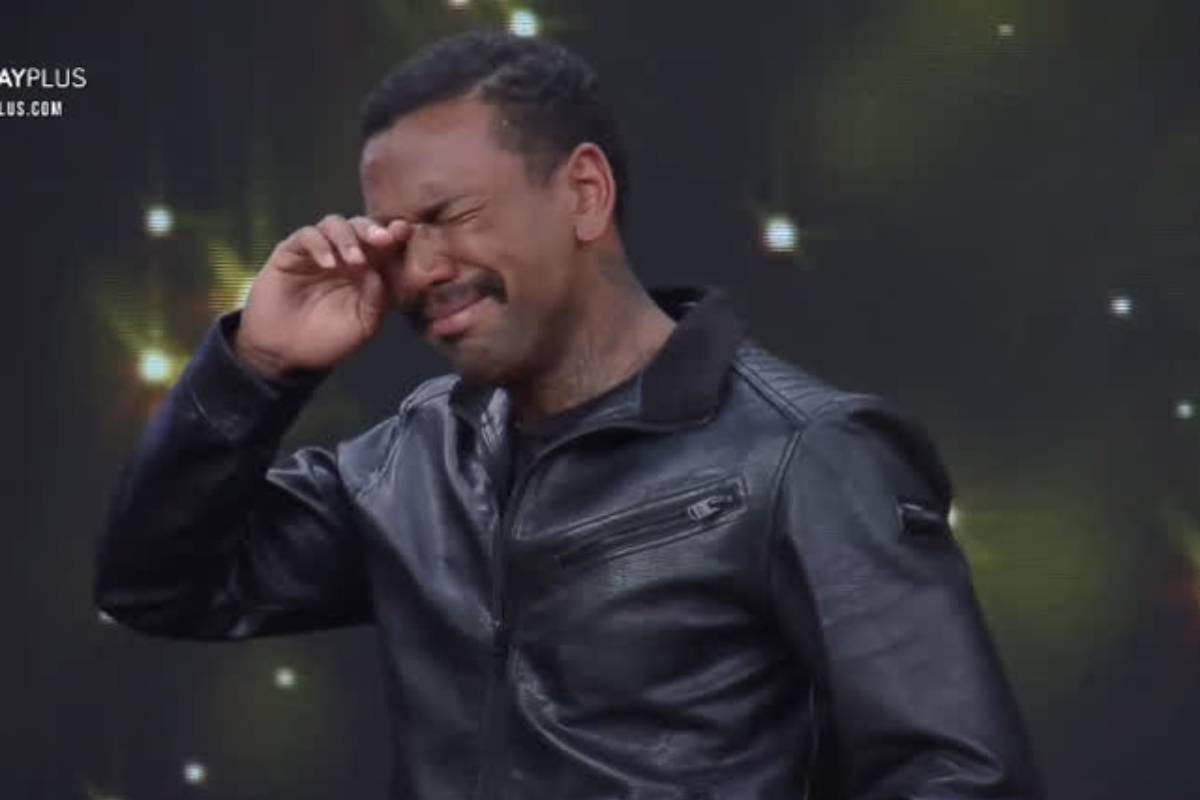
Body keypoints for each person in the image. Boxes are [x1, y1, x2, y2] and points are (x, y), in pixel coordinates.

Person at [96, 30, 1040, 799]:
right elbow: (159, 587)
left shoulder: (805, 454)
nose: (419, 271)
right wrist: (255, 367)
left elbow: (961, 779)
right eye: (394, 238)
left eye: (449, 215)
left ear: (584, 194)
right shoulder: (414, 459)